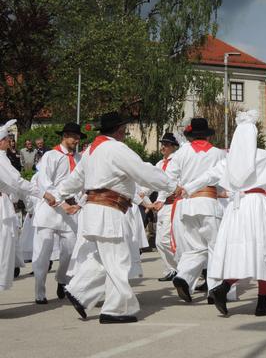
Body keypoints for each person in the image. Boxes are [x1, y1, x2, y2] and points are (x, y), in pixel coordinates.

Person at [48, 112, 178, 324]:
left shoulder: (91, 150)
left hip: (93, 211)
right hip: (109, 210)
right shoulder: (116, 148)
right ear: (118, 130)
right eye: (124, 130)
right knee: (118, 260)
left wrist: (57, 193)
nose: (125, 133)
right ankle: (115, 310)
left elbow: (76, 179)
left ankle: (80, 292)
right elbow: (143, 171)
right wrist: (172, 186)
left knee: (102, 258)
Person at [181, 111, 266, 316]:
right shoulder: (265, 156)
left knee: (242, 252)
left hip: (237, 208)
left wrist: (187, 188)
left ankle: (224, 287)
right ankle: (262, 302)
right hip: (258, 205)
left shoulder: (229, 160)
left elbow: (208, 176)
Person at [155, 118, 225, 303]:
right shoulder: (218, 154)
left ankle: (184, 277)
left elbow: (168, 178)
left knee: (195, 247)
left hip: (187, 205)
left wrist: (166, 196)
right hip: (209, 202)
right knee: (215, 247)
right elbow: (224, 180)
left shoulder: (181, 153)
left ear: (190, 135)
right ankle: (215, 289)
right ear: (208, 135)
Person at [32, 123, 86, 304]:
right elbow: (45, 183)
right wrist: (62, 203)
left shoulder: (79, 159)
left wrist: (80, 203)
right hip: (49, 210)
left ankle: (62, 280)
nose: (77, 140)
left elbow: (84, 184)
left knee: (70, 251)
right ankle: (40, 292)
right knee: (42, 254)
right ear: (64, 136)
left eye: (78, 138)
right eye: (74, 137)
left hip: (69, 213)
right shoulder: (51, 155)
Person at [0, 120, 50, 291]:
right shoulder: (0, 160)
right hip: (1, 208)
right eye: (7, 138)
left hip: (5, 204)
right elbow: (17, 182)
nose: (10, 141)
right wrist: (42, 193)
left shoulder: (4, 158)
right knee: (2, 247)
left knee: (6, 247)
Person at [151, 132, 180, 281]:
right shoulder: (159, 164)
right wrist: (143, 194)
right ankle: (173, 269)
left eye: (167, 144)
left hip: (172, 204)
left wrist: (161, 199)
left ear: (174, 147)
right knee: (159, 242)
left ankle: (182, 269)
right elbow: (153, 181)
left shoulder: (176, 161)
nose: (163, 147)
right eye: (163, 144)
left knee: (166, 240)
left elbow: (171, 182)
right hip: (162, 206)